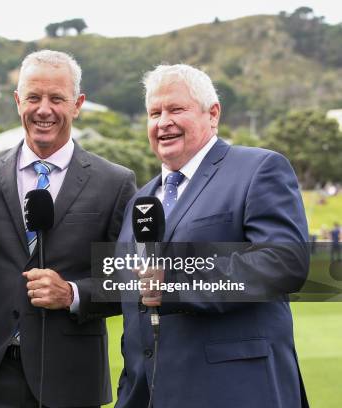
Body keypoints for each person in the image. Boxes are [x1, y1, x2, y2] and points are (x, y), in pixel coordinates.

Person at [116, 64, 310, 407]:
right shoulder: (140, 201)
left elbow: (284, 262)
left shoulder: (259, 168)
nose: (163, 122)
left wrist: (175, 281)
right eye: (154, 112)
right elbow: (129, 298)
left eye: (176, 109)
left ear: (213, 114)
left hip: (236, 392)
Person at [0, 50, 136, 408]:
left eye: (57, 98)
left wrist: (72, 294)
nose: (44, 109)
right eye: (34, 97)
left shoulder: (114, 182)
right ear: (17, 100)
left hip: (72, 379)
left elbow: (130, 280)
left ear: (78, 104)